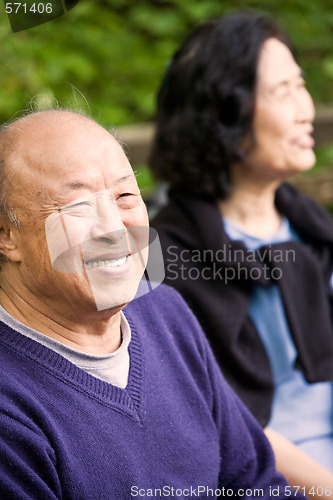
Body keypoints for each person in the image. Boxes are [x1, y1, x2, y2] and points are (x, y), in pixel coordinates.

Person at [0, 108, 299, 499]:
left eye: (125, 196)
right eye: (77, 207)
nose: (113, 228)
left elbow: (254, 482)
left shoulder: (163, 312)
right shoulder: (10, 409)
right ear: (7, 235)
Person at [149, 9, 333, 491]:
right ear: (224, 112)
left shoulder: (314, 231)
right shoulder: (163, 255)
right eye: (282, 92)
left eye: (301, 85)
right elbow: (212, 418)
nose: (305, 108)